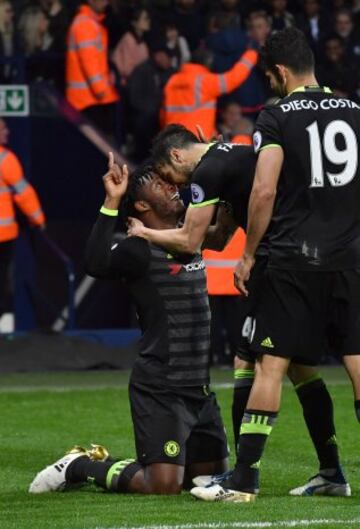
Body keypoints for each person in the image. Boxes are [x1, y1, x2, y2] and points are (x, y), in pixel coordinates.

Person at [128, 124, 356, 498]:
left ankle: (243, 480)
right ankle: (330, 472)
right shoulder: (235, 157)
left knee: (261, 364)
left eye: (170, 176)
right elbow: (218, 238)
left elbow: (191, 241)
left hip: (279, 267)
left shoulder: (207, 171)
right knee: (301, 369)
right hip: (320, 260)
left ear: (177, 155)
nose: (178, 187)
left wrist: (145, 233)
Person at [192, 26, 360, 502]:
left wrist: (247, 255)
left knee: (270, 364)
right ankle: (331, 475)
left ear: (280, 72)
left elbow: (264, 189)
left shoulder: (277, 114)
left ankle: (243, 478)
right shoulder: (354, 110)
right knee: (356, 362)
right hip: (349, 258)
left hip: (294, 259)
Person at [29, 154, 229, 495]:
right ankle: (79, 465)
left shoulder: (190, 236)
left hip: (198, 386)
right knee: (163, 486)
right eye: (159, 185)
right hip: (161, 386)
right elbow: (94, 262)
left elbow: (223, 232)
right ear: (140, 204)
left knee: (203, 481)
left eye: (170, 182)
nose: (171, 188)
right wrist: (111, 201)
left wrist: (224, 171)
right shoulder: (138, 248)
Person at [0, 119, 46, 331]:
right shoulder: (5, 160)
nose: (7, 132)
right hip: (3, 235)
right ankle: (6, 329)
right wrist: (38, 220)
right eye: (3, 129)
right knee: (3, 283)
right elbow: (24, 194)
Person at [160, 46, 258, 138]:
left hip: (172, 139)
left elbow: (163, 114)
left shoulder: (172, 80)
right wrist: (252, 53)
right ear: (208, 63)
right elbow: (234, 78)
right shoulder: (204, 81)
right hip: (196, 141)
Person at [65, 0, 119, 138]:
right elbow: (89, 61)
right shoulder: (85, 24)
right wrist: (101, 90)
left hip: (91, 99)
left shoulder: (91, 23)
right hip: (89, 100)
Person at [112, 7, 151, 84]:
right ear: (135, 23)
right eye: (145, 19)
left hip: (137, 81)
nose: (148, 21)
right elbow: (127, 69)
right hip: (126, 84)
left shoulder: (142, 41)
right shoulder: (128, 39)